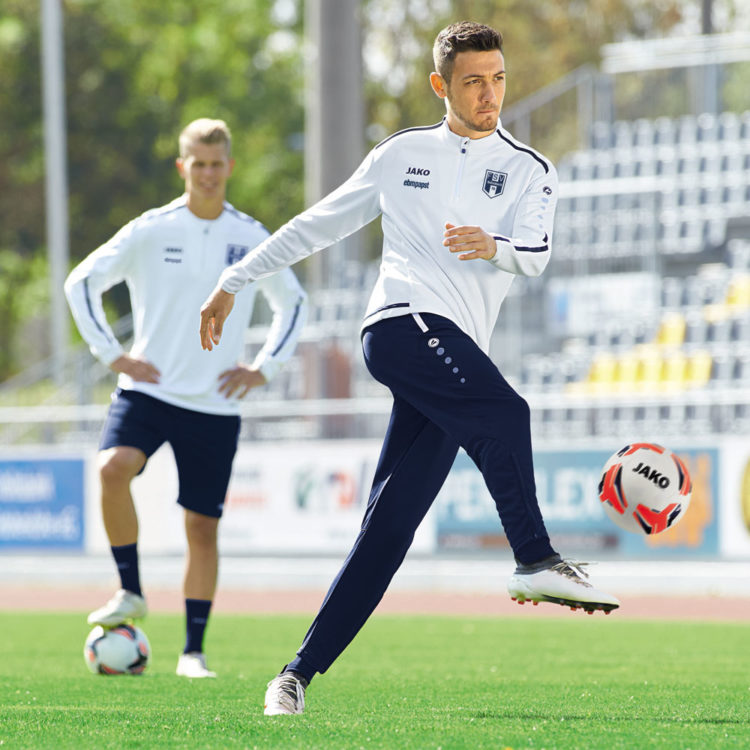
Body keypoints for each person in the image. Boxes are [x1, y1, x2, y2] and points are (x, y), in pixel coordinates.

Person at [199, 22, 619, 713]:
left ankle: (294, 675)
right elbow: (319, 223)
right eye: (473, 82)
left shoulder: (530, 170)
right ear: (441, 86)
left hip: (451, 355)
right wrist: (236, 279)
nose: (489, 94)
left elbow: (537, 253)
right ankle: (536, 559)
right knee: (507, 412)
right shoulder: (401, 154)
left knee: (390, 530)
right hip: (399, 324)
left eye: (498, 79)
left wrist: (495, 244)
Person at [65, 118, 307, 679]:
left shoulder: (250, 236)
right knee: (111, 468)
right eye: (197, 163)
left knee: (202, 527)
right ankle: (130, 591)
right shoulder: (151, 229)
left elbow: (292, 303)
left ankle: (192, 653)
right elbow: (80, 282)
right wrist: (111, 355)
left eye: (216, 163)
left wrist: (265, 368)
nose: (207, 173)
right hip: (147, 389)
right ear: (182, 167)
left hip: (215, 403)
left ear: (229, 166)